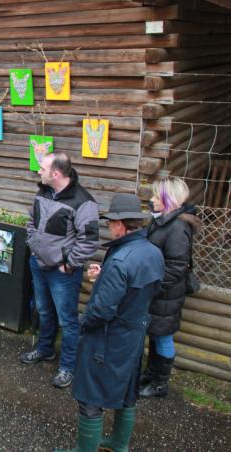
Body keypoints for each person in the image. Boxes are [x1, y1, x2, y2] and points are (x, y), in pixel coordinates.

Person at [56, 194, 164, 452]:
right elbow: (150, 290)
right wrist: (104, 279)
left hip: (107, 339)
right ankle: (118, 444)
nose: (109, 227)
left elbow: (102, 312)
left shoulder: (119, 260)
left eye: (110, 223)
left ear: (119, 224)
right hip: (134, 335)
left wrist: (82, 324)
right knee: (127, 391)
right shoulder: (153, 252)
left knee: (90, 397)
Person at [20, 152, 99, 389]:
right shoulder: (42, 192)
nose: (38, 172)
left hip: (62, 272)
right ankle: (45, 350)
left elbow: (89, 240)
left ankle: (68, 366)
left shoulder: (84, 202)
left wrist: (70, 264)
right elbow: (32, 222)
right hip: (38, 264)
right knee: (44, 311)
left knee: (67, 320)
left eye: (42, 169)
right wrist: (33, 246)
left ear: (56, 173)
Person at [140, 178, 201, 398]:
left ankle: (160, 384)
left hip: (165, 293)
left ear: (169, 200)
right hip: (158, 292)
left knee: (163, 336)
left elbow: (176, 267)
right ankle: (150, 374)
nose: (152, 199)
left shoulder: (177, 227)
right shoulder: (162, 221)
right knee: (155, 334)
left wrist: (152, 284)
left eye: (157, 196)